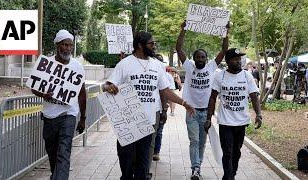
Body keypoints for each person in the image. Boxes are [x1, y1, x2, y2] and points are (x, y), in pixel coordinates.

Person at [102, 31, 195, 180]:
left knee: (143, 166)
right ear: (140, 45)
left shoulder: (157, 65)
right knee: (126, 166)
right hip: (128, 123)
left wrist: (184, 103)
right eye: (151, 44)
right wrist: (108, 88)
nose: (154, 47)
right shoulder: (124, 64)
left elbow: (165, 90)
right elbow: (107, 85)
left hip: (148, 123)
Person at [176, 20, 229, 180]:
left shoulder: (212, 67)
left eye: (203, 57)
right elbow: (178, 48)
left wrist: (226, 32)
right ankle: (195, 169)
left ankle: (197, 168)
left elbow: (224, 50)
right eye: (198, 57)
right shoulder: (189, 67)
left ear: (206, 59)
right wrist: (183, 29)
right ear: (193, 59)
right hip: (191, 111)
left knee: (201, 143)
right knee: (194, 141)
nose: (200, 59)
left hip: (206, 112)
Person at [31, 29, 86, 180]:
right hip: (49, 116)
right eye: (64, 44)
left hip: (68, 115)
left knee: (64, 151)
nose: (68, 48)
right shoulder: (46, 64)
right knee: (52, 151)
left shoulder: (77, 67)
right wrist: (42, 94)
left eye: (70, 45)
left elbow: (82, 92)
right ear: (57, 45)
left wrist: (83, 117)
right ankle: (56, 175)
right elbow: (33, 87)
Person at [205, 48, 262, 180]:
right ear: (228, 61)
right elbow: (213, 97)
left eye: (240, 59)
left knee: (236, 152)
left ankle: (231, 175)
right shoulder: (220, 76)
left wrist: (258, 114)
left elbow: (253, 96)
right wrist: (209, 117)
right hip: (225, 122)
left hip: (241, 122)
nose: (239, 61)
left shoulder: (247, 75)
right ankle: (229, 177)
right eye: (236, 59)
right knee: (228, 152)